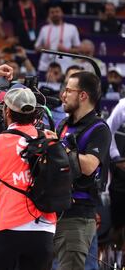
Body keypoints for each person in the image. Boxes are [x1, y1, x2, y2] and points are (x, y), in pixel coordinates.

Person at [0, 85, 56, 270]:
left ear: (7, 111)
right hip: (45, 230)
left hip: (9, 228)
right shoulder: (49, 139)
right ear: (35, 113)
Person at [54, 71, 111, 270]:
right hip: (53, 210)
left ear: (83, 95)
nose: (63, 94)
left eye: (68, 90)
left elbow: (89, 166)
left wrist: (60, 148)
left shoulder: (99, 129)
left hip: (77, 215)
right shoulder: (63, 125)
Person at [35, 3, 81, 72]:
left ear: (62, 13)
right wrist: (43, 48)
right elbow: (36, 48)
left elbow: (78, 50)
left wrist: (66, 50)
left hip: (64, 66)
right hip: (45, 66)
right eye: (52, 12)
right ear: (49, 15)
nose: (55, 14)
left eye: (57, 12)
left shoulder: (72, 28)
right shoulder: (44, 29)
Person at [106, 98, 125, 253]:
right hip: (122, 172)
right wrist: (116, 157)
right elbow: (108, 129)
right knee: (117, 224)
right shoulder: (123, 105)